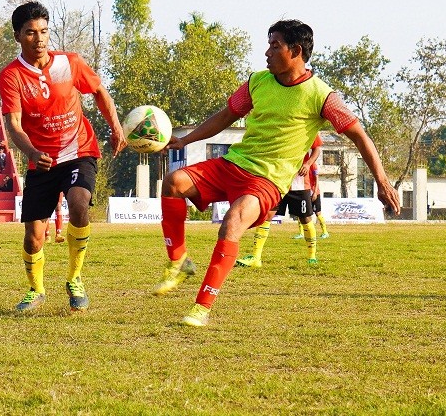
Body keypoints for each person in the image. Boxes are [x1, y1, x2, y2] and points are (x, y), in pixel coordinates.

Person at [153, 19, 400, 327]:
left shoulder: (321, 96)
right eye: (268, 44)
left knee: (232, 223)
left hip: (267, 181)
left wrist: (382, 181)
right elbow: (225, 116)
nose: (267, 52)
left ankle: (201, 308)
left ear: (296, 51)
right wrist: (185, 140)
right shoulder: (257, 81)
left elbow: (360, 135)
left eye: (275, 45)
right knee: (174, 182)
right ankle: (178, 261)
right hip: (234, 164)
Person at [0, 1, 126, 313]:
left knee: (80, 203)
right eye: (31, 33)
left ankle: (75, 278)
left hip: (78, 151)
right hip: (40, 160)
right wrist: (31, 151)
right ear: (18, 36)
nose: (39, 38)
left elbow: (98, 91)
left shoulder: (70, 62)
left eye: (44, 31)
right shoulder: (11, 76)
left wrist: (116, 127)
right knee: (33, 239)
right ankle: (36, 289)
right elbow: (13, 125)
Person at [236, 136, 323, 268]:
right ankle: (256, 257)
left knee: (305, 218)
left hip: (299, 183)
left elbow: (317, 147)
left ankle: (312, 257)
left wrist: (308, 163)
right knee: (267, 216)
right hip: (276, 181)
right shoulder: (275, 124)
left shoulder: (306, 125)